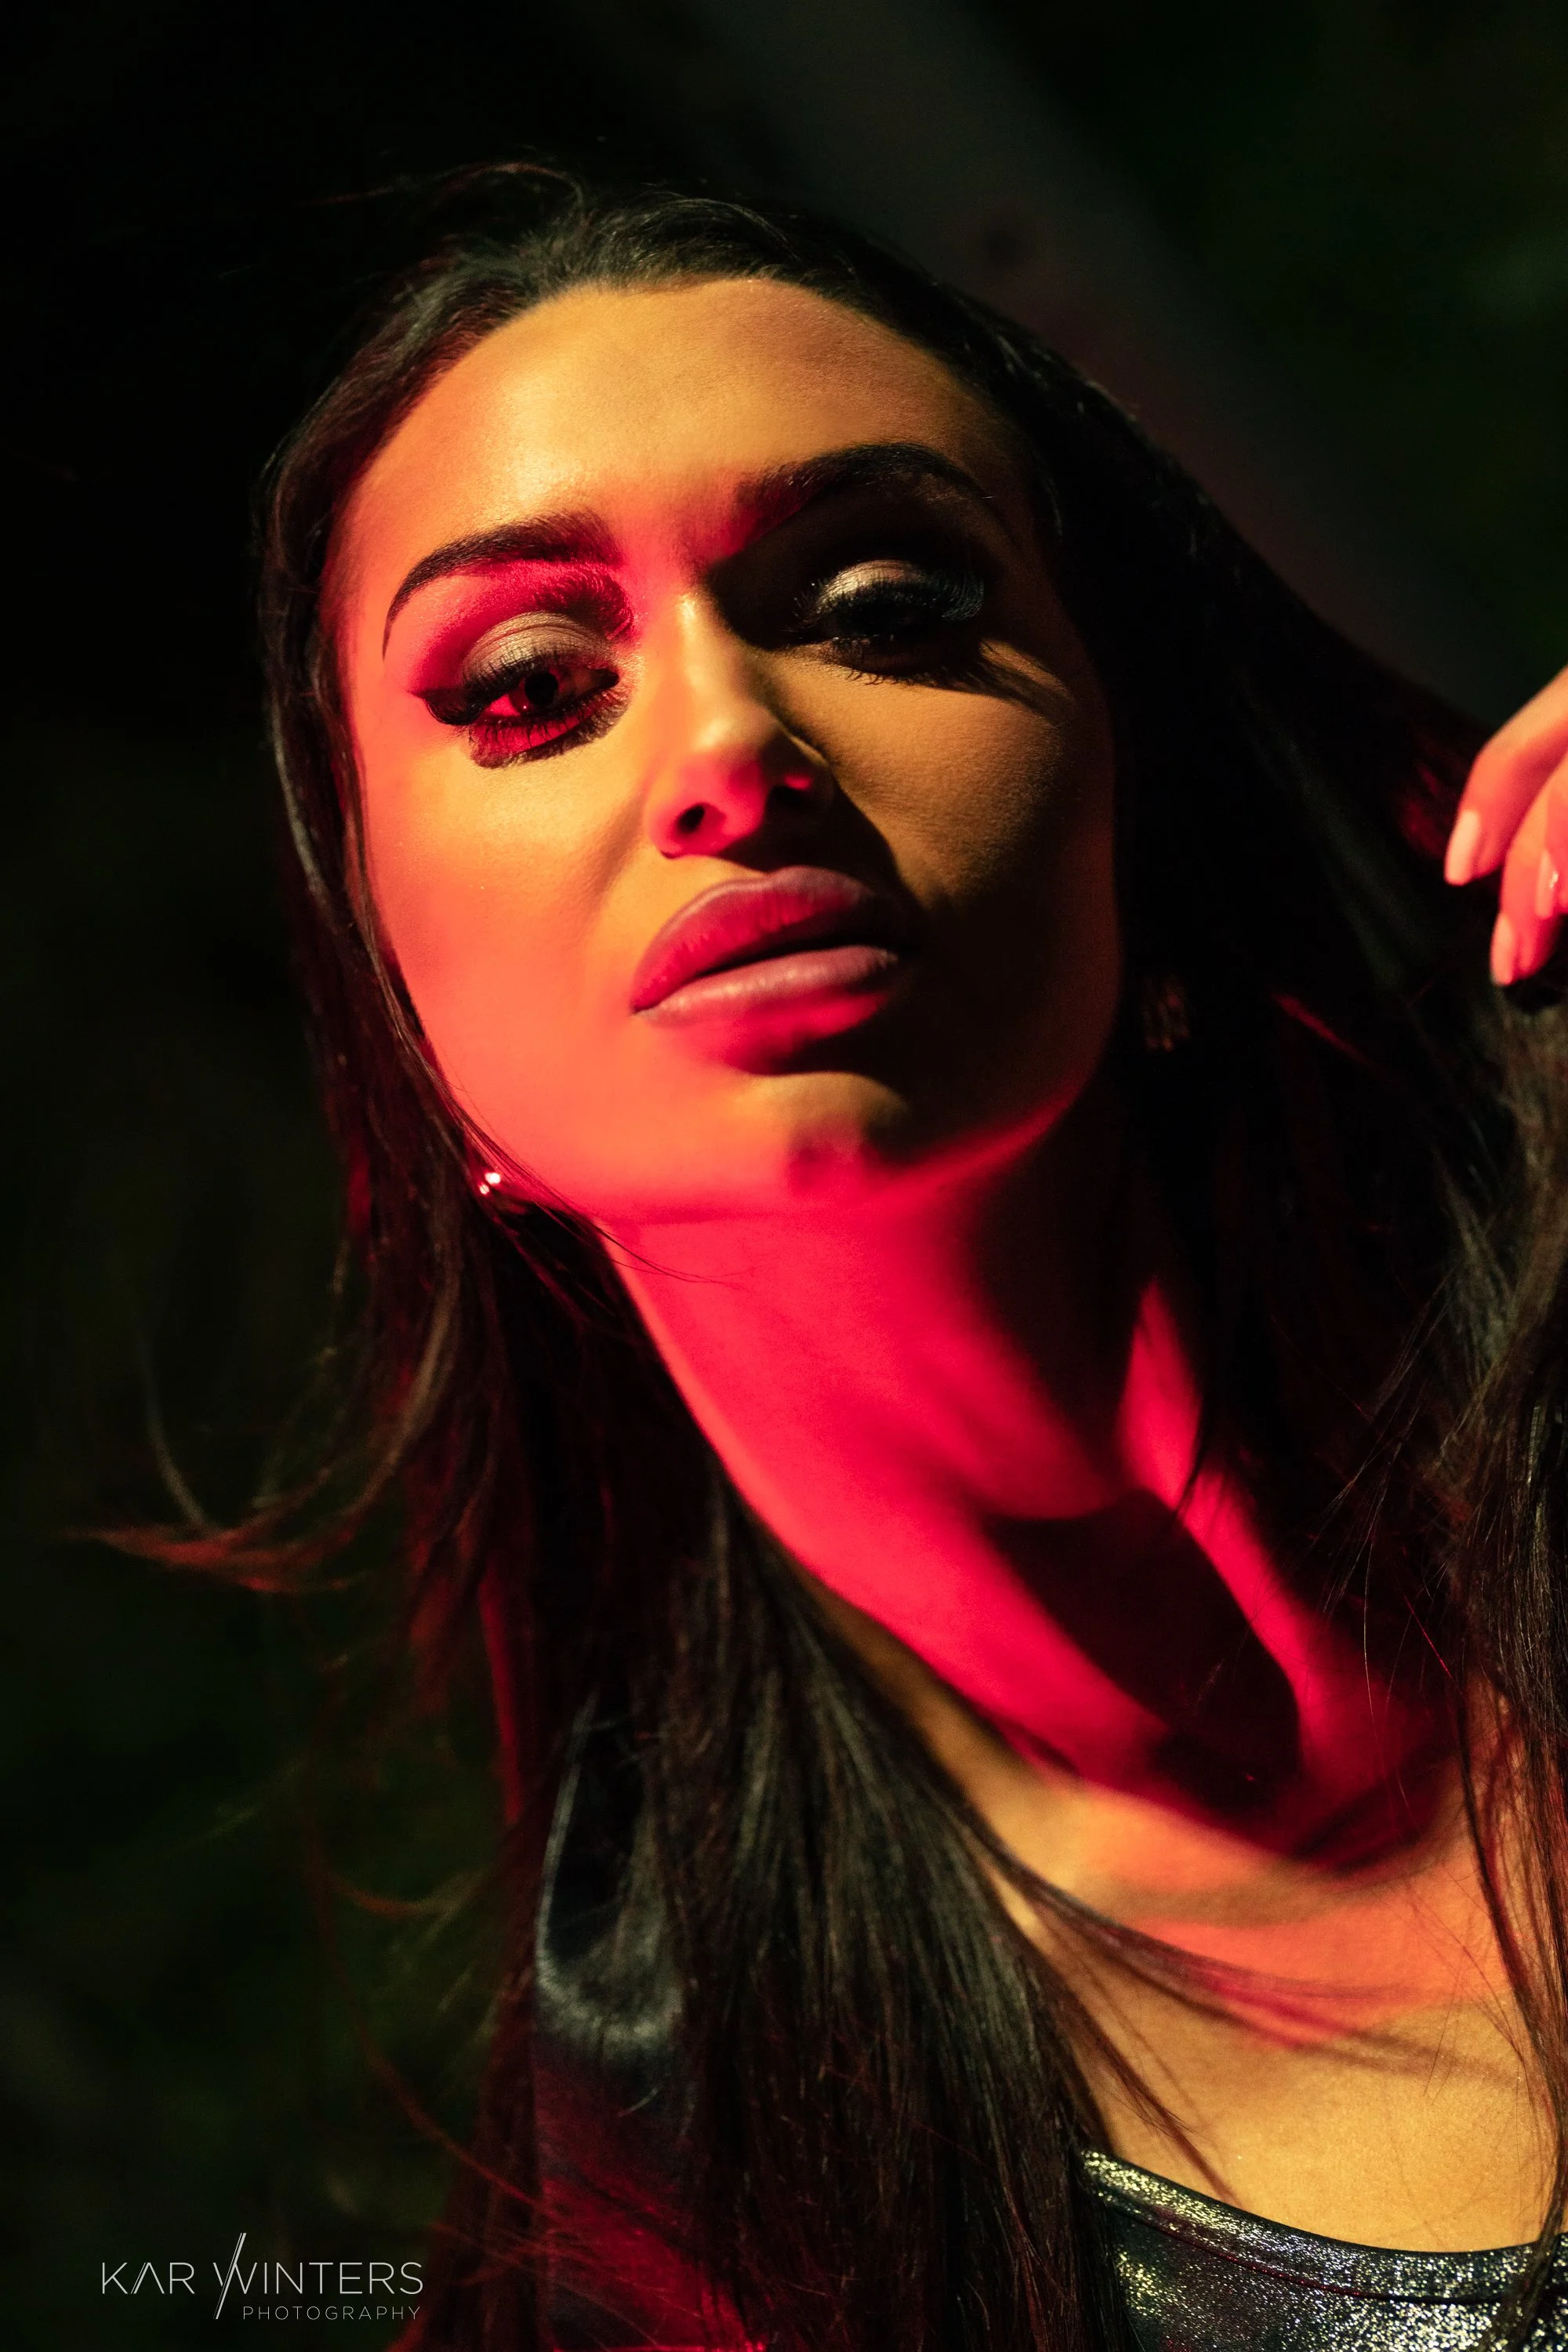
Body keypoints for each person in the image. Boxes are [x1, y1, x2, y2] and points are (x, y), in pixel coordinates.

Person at [192, 166, 1568, 2347]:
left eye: (892, 606)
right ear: (394, 1005)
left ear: (1140, 786)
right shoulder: (695, 2225)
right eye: (534, 683)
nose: (732, 744)